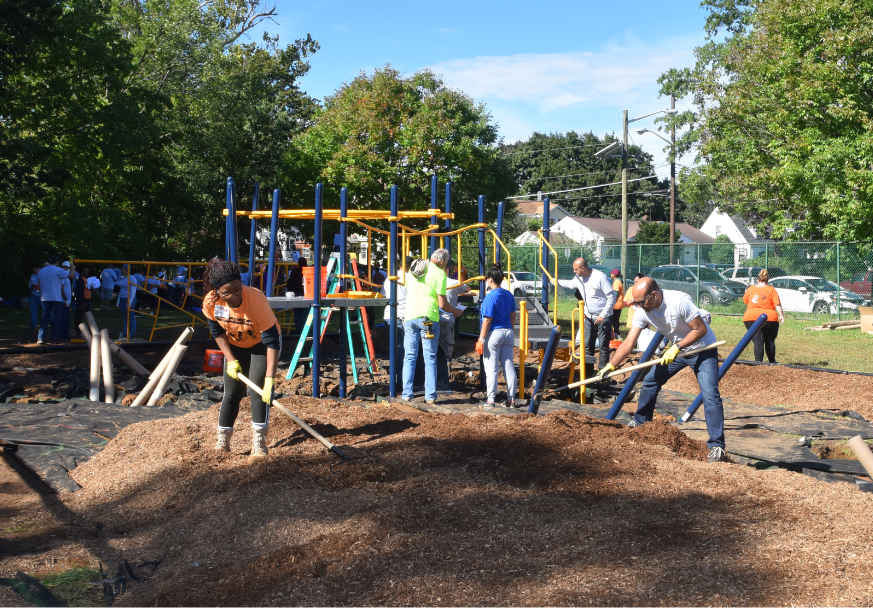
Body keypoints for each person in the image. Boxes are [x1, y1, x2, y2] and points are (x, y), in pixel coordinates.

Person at [597, 278, 730, 463]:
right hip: (678, 351)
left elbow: (700, 329)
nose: (639, 306)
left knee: (710, 394)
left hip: (702, 349)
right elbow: (628, 342)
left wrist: (677, 347)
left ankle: (716, 446)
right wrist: (611, 366)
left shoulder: (679, 301)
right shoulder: (643, 310)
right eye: (636, 303)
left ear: (654, 295)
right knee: (651, 381)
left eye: (642, 302)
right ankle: (641, 421)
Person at [202, 257, 281, 458]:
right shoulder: (211, 303)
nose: (233, 295)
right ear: (217, 291)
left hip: (261, 345)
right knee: (232, 393)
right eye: (226, 293)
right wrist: (231, 360)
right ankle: (223, 442)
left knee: (258, 390)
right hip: (235, 346)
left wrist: (270, 379)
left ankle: (259, 442)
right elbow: (217, 333)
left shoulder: (256, 300)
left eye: (237, 289)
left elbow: (272, 342)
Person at [402, 248, 464, 403]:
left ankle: (406, 394)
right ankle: (430, 396)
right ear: (443, 261)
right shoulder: (439, 274)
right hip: (428, 318)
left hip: (410, 316)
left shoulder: (416, 266)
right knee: (430, 358)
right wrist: (455, 311)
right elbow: (442, 303)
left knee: (410, 356)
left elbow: (410, 288)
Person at [557, 258, 616, 370]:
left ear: (583, 268)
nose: (574, 271)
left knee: (603, 346)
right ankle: (588, 372)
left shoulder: (599, 277)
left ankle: (602, 371)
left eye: (575, 269)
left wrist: (603, 315)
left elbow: (612, 297)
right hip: (589, 316)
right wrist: (552, 280)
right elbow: (569, 284)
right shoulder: (579, 278)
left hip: (603, 316)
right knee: (588, 344)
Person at [476, 266, 517, 408]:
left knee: (491, 369)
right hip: (508, 332)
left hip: (494, 334)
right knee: (509, 367)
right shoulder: (509, 295)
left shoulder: (490, 297)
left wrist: (481, 338)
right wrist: (510, 329)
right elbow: (513, 315)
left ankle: (490, 400)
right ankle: (511, 400)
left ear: (490, 279)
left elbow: (487, 319)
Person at [742, 269, 784, 363]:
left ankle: (758, 363)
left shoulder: (751, 289)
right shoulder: (771, 289)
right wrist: (781, 315)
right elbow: (777, 304)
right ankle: (772, 362)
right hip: (770, 318)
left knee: (758, 340)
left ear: (758, 280)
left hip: (751, 318)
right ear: (767, 281)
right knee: (770, 340)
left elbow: (745, 301)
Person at [36, 255, 75, 344]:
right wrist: (72, 265)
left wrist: (41, 294)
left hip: (45, 298)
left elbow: (39, 284)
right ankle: (54, 338)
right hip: (56, 298)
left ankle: (40, 338)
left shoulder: (42, 270)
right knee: (55, 318)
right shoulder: (58, 270)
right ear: (57, 262)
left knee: (44, 318)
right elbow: (71, 275)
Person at [440, 260, 471, 361]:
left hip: (432, 318)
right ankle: (445, 372)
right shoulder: (453, 283)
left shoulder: (431, 283)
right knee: (446, 351)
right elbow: (468, 289)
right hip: (447, 319)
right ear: (448, 269)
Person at [117, 264, 139, 339]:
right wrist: (118, 301)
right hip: (122, 299)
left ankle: (132, 333)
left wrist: (130, 302)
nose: (121, 270)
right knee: (125, 317)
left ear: (127, 270)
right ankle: (125, 333)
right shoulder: (123, 278)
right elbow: (121, 290)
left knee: (131, 317)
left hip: (129, 298)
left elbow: (133, 291)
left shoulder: (132, 278)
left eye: (122, 269)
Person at [58, 261, 73, 341]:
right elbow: (61, 288)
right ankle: (63, 334)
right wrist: (66, 299)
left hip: (66, 301)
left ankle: (65, 334)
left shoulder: (65, 276)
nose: (66, 269)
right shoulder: (63, 276)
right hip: (63, 301)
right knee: (64, 318)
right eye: (65, 267)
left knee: (66, 318)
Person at [610, 269, 625, 340]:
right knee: (615, 319)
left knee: (614, 320)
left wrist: (611, 303)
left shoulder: (617, 282)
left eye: (611, 274)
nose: (610, 275)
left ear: (614, 275)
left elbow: (615, 293)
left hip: (616, 304)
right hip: (618, 303)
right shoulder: (618, 281)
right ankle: (616, 333)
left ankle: (617, 334)